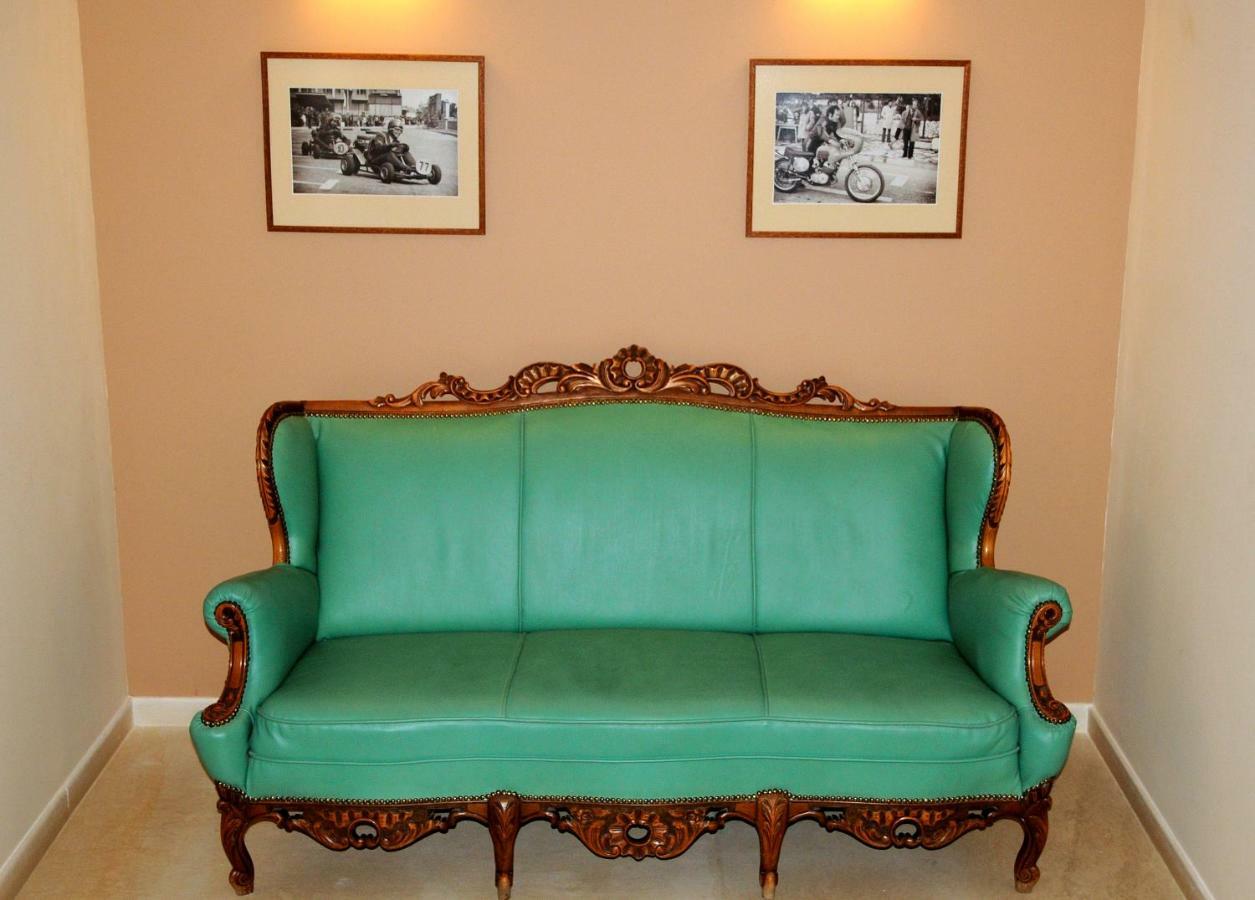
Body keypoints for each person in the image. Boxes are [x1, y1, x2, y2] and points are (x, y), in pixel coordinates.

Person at [815, 104, 862, 178]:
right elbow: (821, 134)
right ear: (830, 115)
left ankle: (827, 174)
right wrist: (831, 141)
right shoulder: (823, 121)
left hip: (821, 144)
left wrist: (843, 140)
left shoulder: (834, 123)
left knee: (835, 155)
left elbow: (837, 134)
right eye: (836, 115)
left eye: (839, 115)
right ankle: (821, 174)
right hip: (813, 145)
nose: (838, 117)